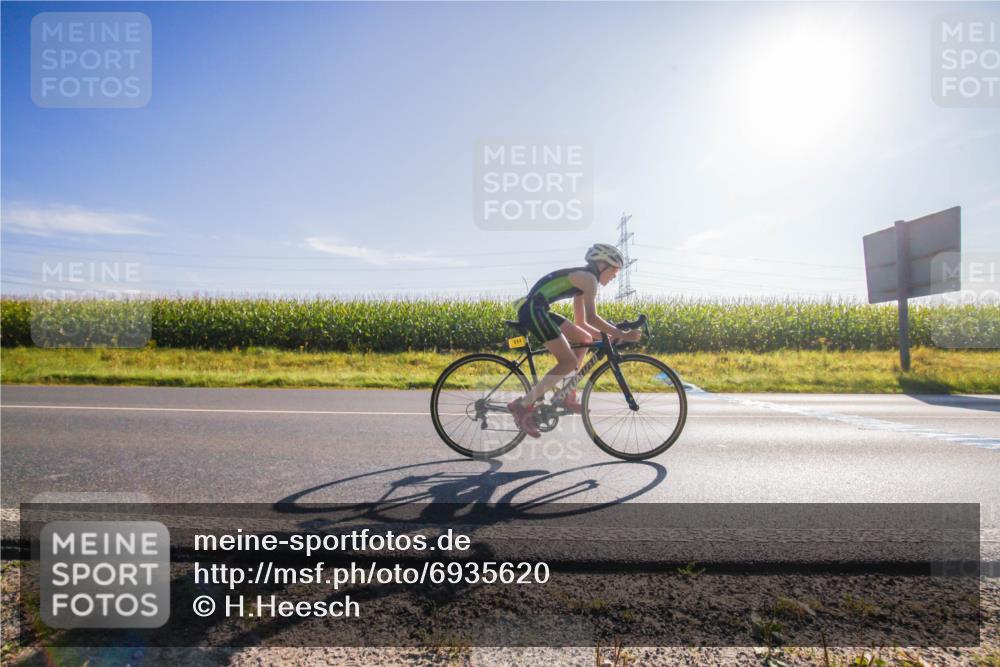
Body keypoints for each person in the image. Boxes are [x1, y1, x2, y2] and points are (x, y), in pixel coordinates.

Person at [507, 243, 642, 438]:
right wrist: (623, 335)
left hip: (538, 309)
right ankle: (522, 405)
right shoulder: (588, 279)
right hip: (532, 310)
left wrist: (610, 337)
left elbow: (583, 324)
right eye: (614, 270)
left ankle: (566, 394)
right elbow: (593, 318)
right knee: (568, 361)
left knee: (583, 338)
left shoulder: (583, 283)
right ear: (602, 264)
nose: (615, 276)